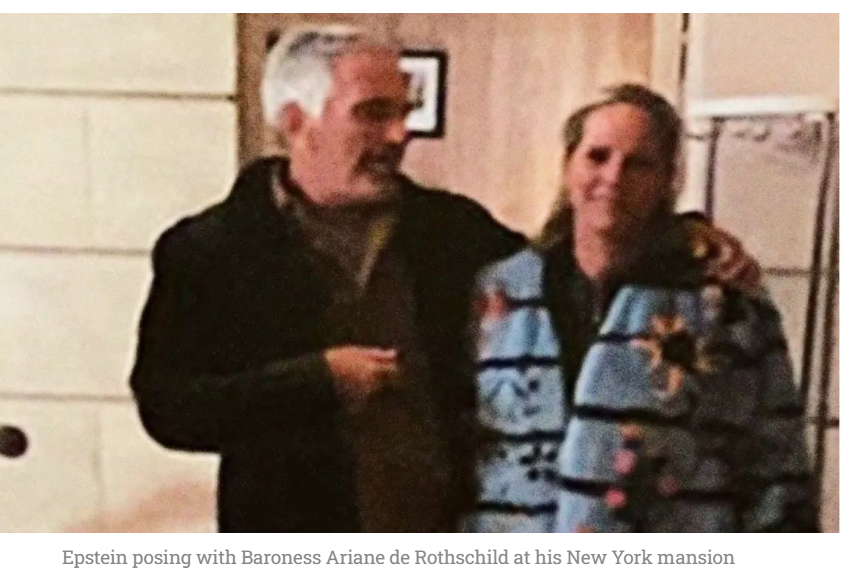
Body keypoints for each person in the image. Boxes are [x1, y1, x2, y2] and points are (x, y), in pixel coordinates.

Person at [128, 25, 763, 533]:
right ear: (296, 121)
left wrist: (684, 237)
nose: (399, 134)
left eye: (403, 112)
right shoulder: (210, 250)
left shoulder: (449, 229)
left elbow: (570, 265)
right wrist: (315, 380)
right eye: (373, 113)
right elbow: (168, 408)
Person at [467, 84, 818, 532]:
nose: (614, 177)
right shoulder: (498, 294)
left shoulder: (722, 303)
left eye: (638, 164)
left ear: (667, 180)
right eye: (597, 157)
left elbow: (776, 463)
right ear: (568, 166)